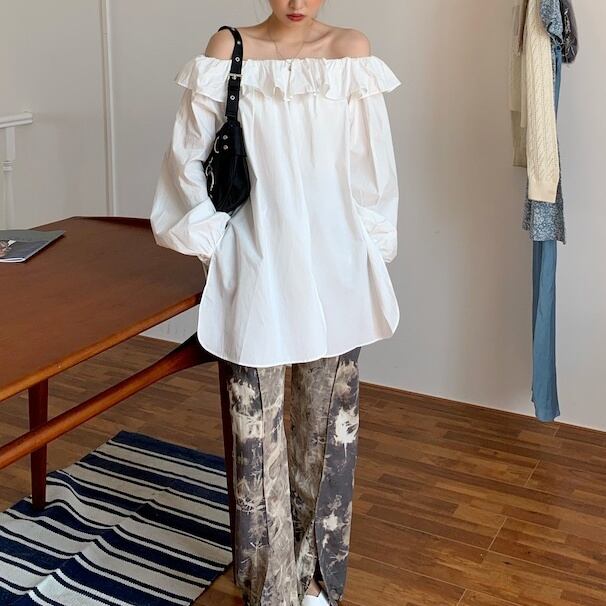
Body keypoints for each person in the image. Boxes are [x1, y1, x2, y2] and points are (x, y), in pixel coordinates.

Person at [150, 2, 402, 604]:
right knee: (254, 439)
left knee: (326, 436)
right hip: (256, 266)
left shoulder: (351, 53)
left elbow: (372, 174)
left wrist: (369, 252)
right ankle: (272, 590)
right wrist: (219, 247)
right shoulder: (227, 50)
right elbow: (186, 162)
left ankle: (316, 581)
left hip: (336, 272)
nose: (295, 1)